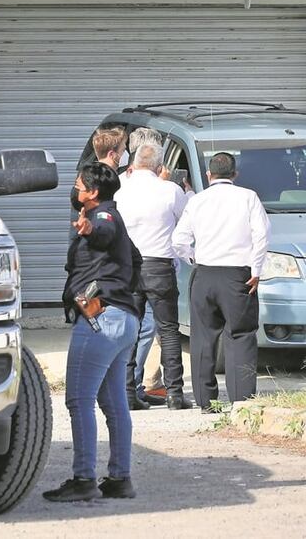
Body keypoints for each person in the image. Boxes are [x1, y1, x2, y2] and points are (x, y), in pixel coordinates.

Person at [45, 162, 142, 503]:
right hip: (123, 320)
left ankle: (84, 479)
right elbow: (136, 260)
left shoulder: (105, 217)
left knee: (79, 399)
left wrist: (89, 231)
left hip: (101, 320)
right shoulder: (113, 219)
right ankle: (120, 478)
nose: (75, 191)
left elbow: (105, 231)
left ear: (93, 192)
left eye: (79, 186)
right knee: (113, 404)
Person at [172, 152, 270, 412]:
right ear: (235, 174)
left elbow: (178, 240)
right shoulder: (248, 197)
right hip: (238, 275)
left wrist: (193, 258)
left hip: (204, 273)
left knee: (203, 338)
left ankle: (206, 401)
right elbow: (262, 235)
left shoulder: (198, 200)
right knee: (240, 335)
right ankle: (241, 401)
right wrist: (256, 269)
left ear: (208, 175)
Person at [115, 142, 191, 410]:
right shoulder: (170, 190)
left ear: (134, 163)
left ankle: (127, 392)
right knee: (169, 331)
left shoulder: (120, 189)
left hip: (129, 267)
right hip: (160, 266)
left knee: (130, 332)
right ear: (160, 167)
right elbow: (186, 220)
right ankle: (174, 394)